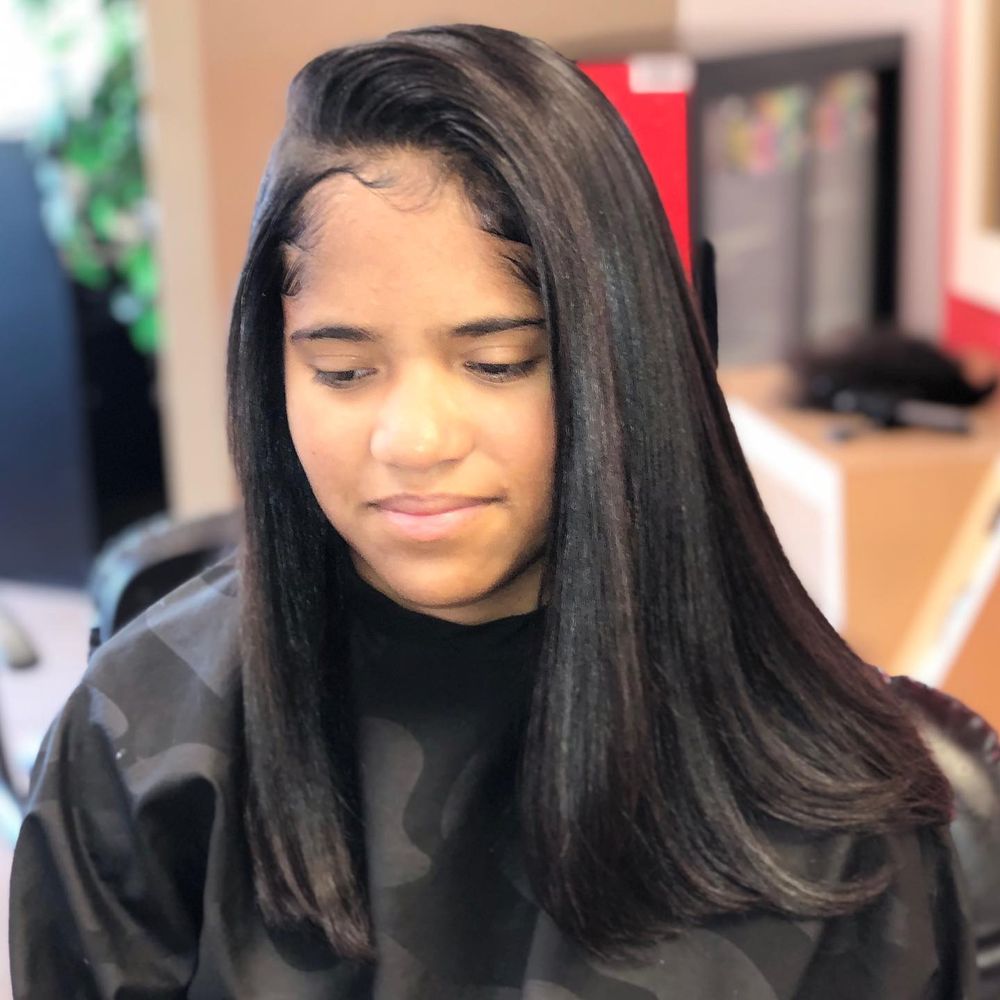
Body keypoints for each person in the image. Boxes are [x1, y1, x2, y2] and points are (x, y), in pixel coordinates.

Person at [9, 23, 977, 999]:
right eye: (342, 371)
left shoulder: (847, 812)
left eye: (498, 363)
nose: (415, 439)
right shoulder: (140, 747)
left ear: (622, 355)